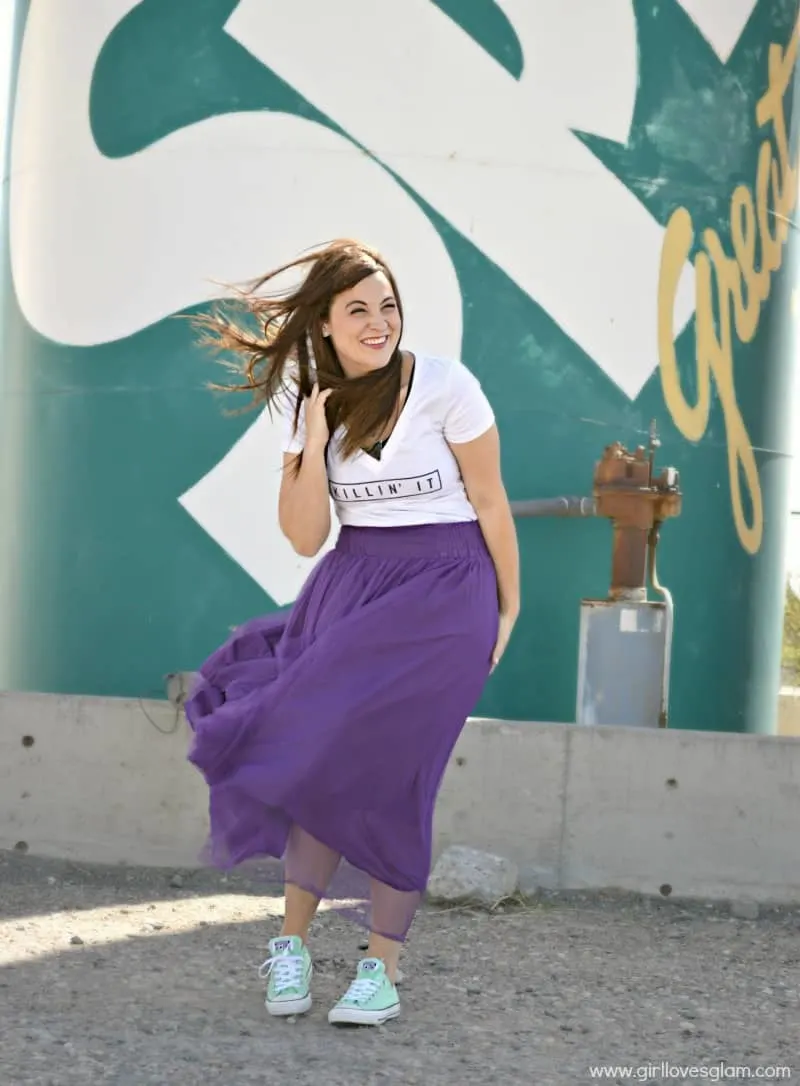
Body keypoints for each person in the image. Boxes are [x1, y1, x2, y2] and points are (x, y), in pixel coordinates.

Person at [184, 239, 520, 1027]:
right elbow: (305, 537)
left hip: (448, 591)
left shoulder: (446, 386)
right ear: (326, 325)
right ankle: (293, 949)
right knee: (318, 759)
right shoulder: (314, 402)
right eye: (358, 310)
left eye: (388, 306)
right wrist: (308, 433)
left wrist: (508, 609)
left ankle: (382, 966)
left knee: (402, 773)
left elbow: (493, 504)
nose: (379, 323)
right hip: (351, 585)